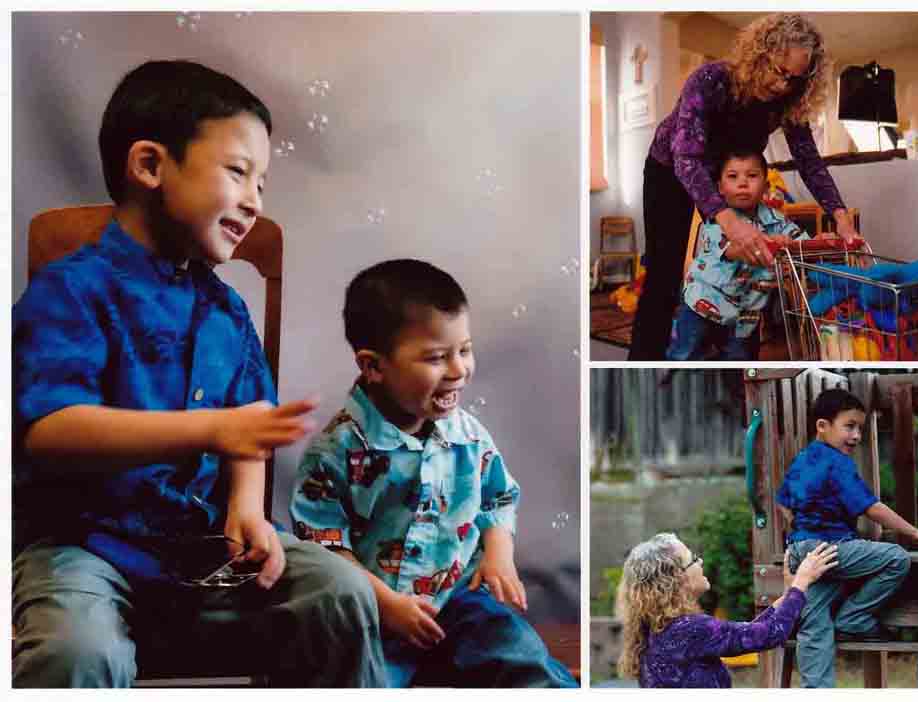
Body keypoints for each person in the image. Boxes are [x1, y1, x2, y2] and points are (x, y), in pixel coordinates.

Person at [12, 60, 385, 688]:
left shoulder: (226, 311)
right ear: (151, 166)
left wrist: (246, 508)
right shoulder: (70, 293)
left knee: (340, 592)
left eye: (262, 182)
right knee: (75, 650)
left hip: (201, 547)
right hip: (84, 547)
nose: (254, 199)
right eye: (238, 172)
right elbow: (48, 429)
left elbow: (249, 429)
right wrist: (209, 429)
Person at [289, 259, 578, 688]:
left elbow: (497, 498)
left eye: (464, 350)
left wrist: (499, 555)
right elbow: (324, 545)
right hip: (374, 616)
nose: (459, 370)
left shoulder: (467, 435)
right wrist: (386, 604)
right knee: (357, 680)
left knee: (520, 655)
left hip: (459, 600)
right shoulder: (337, 451)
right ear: (373, 366)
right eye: (437, 358)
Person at [629, 12, 862, 361]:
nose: (784, 85)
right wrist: (728, 221)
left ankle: (737, 365)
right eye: (779, 71)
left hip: (730, 177)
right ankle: (642, 370)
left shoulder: (787, 99)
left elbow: (808, 161)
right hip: (672, 171)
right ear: (761, 53)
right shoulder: (710, 80)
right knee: (664, 277)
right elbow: (687, 159)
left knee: (748, 271)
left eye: (795, 80)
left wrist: (840, 215)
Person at [777, 388, 918, 687]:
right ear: (823, 426)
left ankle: (816, 689)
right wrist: (914, 531)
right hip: (830, 548)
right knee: (896, 559)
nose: (856, 436)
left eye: (860, 429)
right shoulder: (837, 463)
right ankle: (854, 618)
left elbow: (783, 503)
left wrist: (800, 538)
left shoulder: (802, 459)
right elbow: (871, 508)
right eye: (849, 426)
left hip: (804, 552)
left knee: (813, 623)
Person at [616, 532, 838, 688]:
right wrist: (802, 581)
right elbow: (769, 634)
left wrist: (789, 593)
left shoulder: (658, 631)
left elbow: (750, 632)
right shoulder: (691, 629)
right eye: (693, 559)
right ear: (676, 578)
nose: (700, 561)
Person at [667, 148, 812, 361]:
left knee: (741, 368)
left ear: (765, 185)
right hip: (702, 305)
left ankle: (735, 394)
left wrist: (815, 240)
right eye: (733, 176)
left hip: (745, 318)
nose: (743, 183)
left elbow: (803, 243)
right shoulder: (718, 219)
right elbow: (736, 250)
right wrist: (772, 243)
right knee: (683, 358)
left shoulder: (777, 220)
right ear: (720, 188)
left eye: (752, 176)